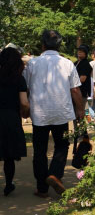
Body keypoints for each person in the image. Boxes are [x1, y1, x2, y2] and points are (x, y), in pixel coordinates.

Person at [23, 30, 83, 197]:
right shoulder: (67, 63)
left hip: (39, 114)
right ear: (59, 45)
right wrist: (80, 110)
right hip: (61, 113)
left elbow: (25, 89)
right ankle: (55, 174)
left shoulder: (33, 64)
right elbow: (76, 90)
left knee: (40, 150)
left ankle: (42, 188)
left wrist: (25, 108)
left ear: (42, 45)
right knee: (62, 145)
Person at [0, 47, 30, 196]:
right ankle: (8, 184)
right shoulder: (19, 78)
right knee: (8, 155)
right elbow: (24, 103)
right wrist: (26, 114)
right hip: (11, 118)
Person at [75, 45, 93, 122]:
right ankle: (81, 131)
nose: (79, 52)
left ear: (85, 53)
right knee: (78, 113)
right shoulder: (76, 63)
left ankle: (82, 131)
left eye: (82, 51)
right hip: (75, 91)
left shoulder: (85, 64)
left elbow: (82, 79)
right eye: (79, 51)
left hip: (82, 92)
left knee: (81, 112)